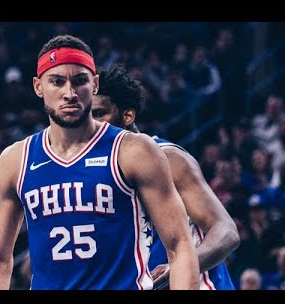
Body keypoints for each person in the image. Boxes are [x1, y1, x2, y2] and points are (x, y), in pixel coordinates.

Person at [0, 35, 199, 290]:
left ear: (94, 84)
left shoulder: (134, 150)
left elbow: (180, 245)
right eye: (57, 82)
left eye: (79, 81)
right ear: (38, 87)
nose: (69, 93)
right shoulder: (15, 160)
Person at [92, 63, 240, 290]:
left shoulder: (167, 158)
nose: (92, 125)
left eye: (99, 114)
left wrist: (183, 266)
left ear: (128, 115)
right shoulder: (102, 173)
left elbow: (226, 231)